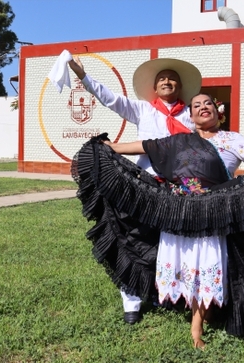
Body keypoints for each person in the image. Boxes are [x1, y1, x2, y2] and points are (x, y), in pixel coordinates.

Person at [72, 93, 244, 348]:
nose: (202, 108)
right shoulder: (180, 140)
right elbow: (147, 145)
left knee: (205, 263)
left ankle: (196, 326)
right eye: (196, 105)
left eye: (207, 103)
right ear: (191, 115)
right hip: (179, 211)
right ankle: (198, 314)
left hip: (213, 212)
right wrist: (112, 148)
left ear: (217, 110)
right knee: (185, 263)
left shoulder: (230, 139)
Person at [67, 54, 202, 325]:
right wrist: (83, 76)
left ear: (180, 86)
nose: (167, 81)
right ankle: (132, 301)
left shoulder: (190, 115)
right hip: (144, 184)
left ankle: (165, 294)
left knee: (172, 244)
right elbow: (111, 99)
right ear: (155, 87)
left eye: (172, 79)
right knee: (135, 238)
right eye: (162, 78)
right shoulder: (143, 110)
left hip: (179, 189)